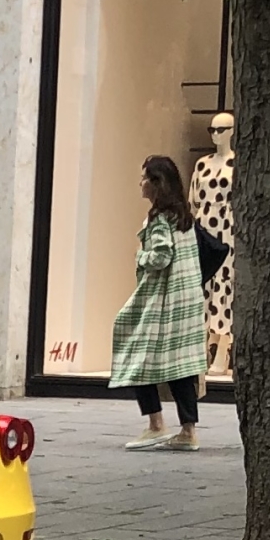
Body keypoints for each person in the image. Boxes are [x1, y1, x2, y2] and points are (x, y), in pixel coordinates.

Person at [109, 154, 207, 450]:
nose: (140, 184)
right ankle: (187, 431)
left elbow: (161, 256)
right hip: (187, 300)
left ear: (156, 184)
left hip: (163, 300)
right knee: (181, 367)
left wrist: (140, 257)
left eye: (144, 178)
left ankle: (155, 424)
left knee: (136, 351)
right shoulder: (184, 216)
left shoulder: (160, 218)